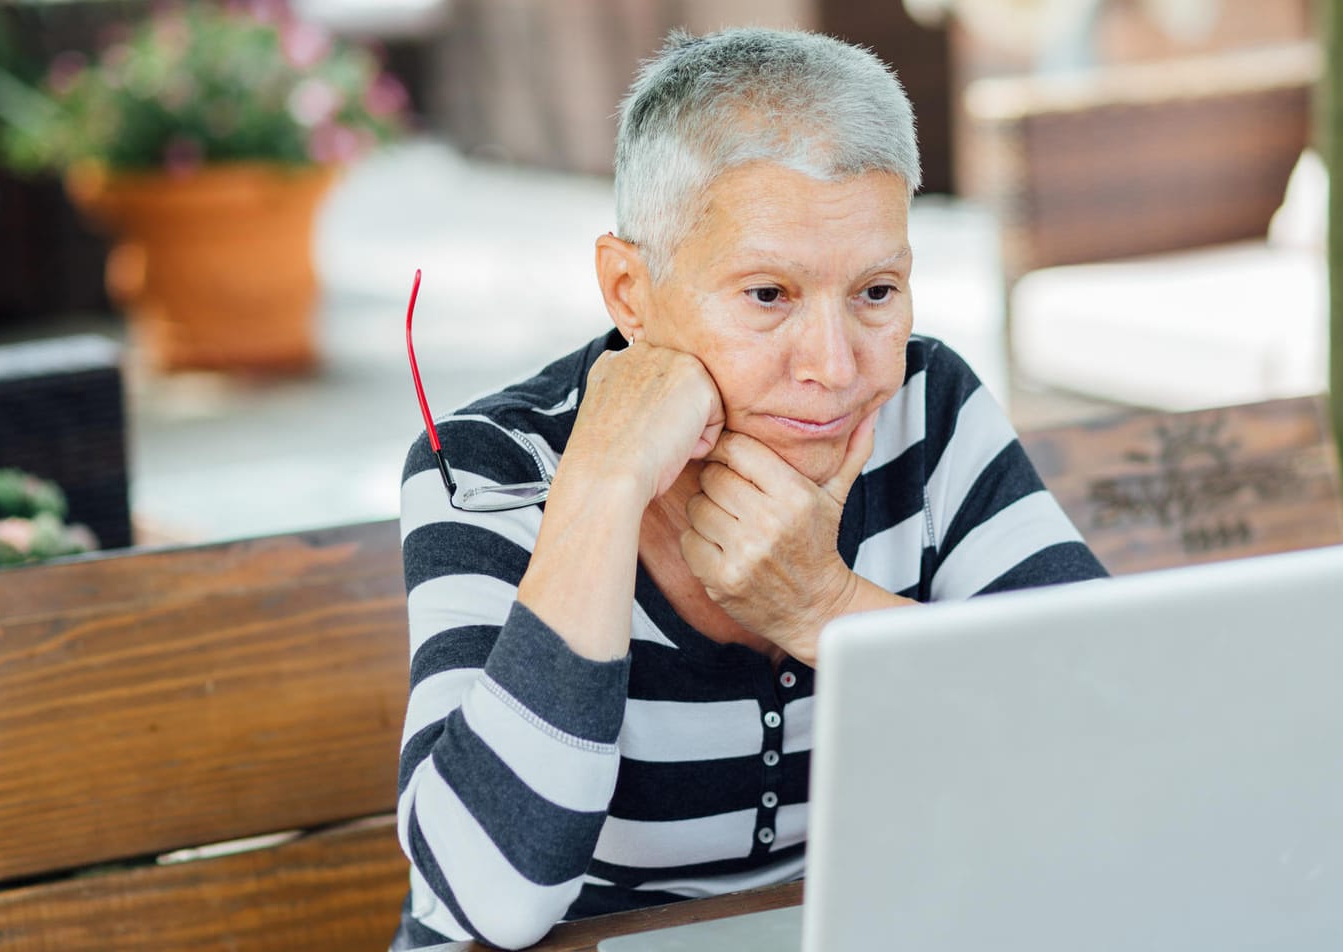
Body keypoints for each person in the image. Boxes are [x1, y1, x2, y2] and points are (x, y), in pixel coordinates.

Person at [391, 27, 1107, 950]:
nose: (835, 367)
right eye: (767, 294)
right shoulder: (492, 468)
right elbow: (493, 895)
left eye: (876, 291)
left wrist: (823, 604)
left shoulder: (925, 409)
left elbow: (1102, 737)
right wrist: (602, 487)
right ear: (629, 291)